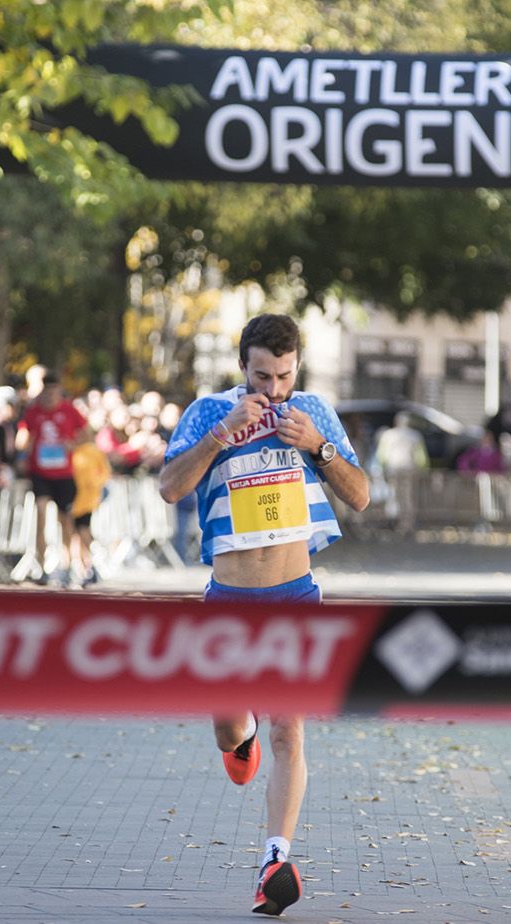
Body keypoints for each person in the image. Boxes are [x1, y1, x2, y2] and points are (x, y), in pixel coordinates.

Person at [158, 313, 369, 917]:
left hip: (295, 596)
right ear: (241, 367)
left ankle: (275, 860)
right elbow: (170, 487)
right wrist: (222, 434)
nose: (273, 389)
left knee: (289, 729)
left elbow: (360, 494)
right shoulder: (207, 412)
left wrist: (318, 447)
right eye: (261, 375)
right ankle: (237, 737)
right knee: (232, 727)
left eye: (283, 375)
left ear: (295, 367)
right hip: (228, 601)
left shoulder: (312, 413)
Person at [16, 371, 89, 580]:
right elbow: (23, 439)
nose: (49, 398)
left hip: (64, 474)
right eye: (46, 394)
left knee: (65, 520)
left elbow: (86, 434)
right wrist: (24, 451)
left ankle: (66, 565)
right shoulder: (33, 412)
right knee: (41, 516)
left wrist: (72, 444)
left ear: (59, 393)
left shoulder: (70, 410)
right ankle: (41, 565)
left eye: (54, 393)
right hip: (40, 473)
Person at [374, 411, 428, 532]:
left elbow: (381, 455)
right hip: (409, 468)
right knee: (408, 496)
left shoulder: (388, 435)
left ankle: (393, 520)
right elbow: (421, 457)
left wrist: (381, 469)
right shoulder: (415, 435)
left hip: (393, 468)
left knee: (393, 495)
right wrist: (423, 469)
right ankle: (407, 523)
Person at [68, 439, 112, 586]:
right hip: (74, 498)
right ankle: (80, 567)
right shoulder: (70, 451)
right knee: (75, 533)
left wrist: (94, 486)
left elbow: (104, 473)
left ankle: (88, 565)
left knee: (81, 531)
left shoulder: (91, 451)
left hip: (85, 500)